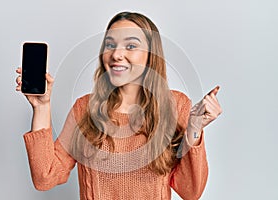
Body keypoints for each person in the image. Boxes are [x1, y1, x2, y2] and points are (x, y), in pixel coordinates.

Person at [15, 11, 222, 200]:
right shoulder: (84, 109)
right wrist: (41, 107)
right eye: (110, 45)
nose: (116, 55)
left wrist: (194, 130)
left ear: (151, 55)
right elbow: (45, 177)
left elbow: (191, 192)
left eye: (130, 46)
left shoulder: (176, 105)